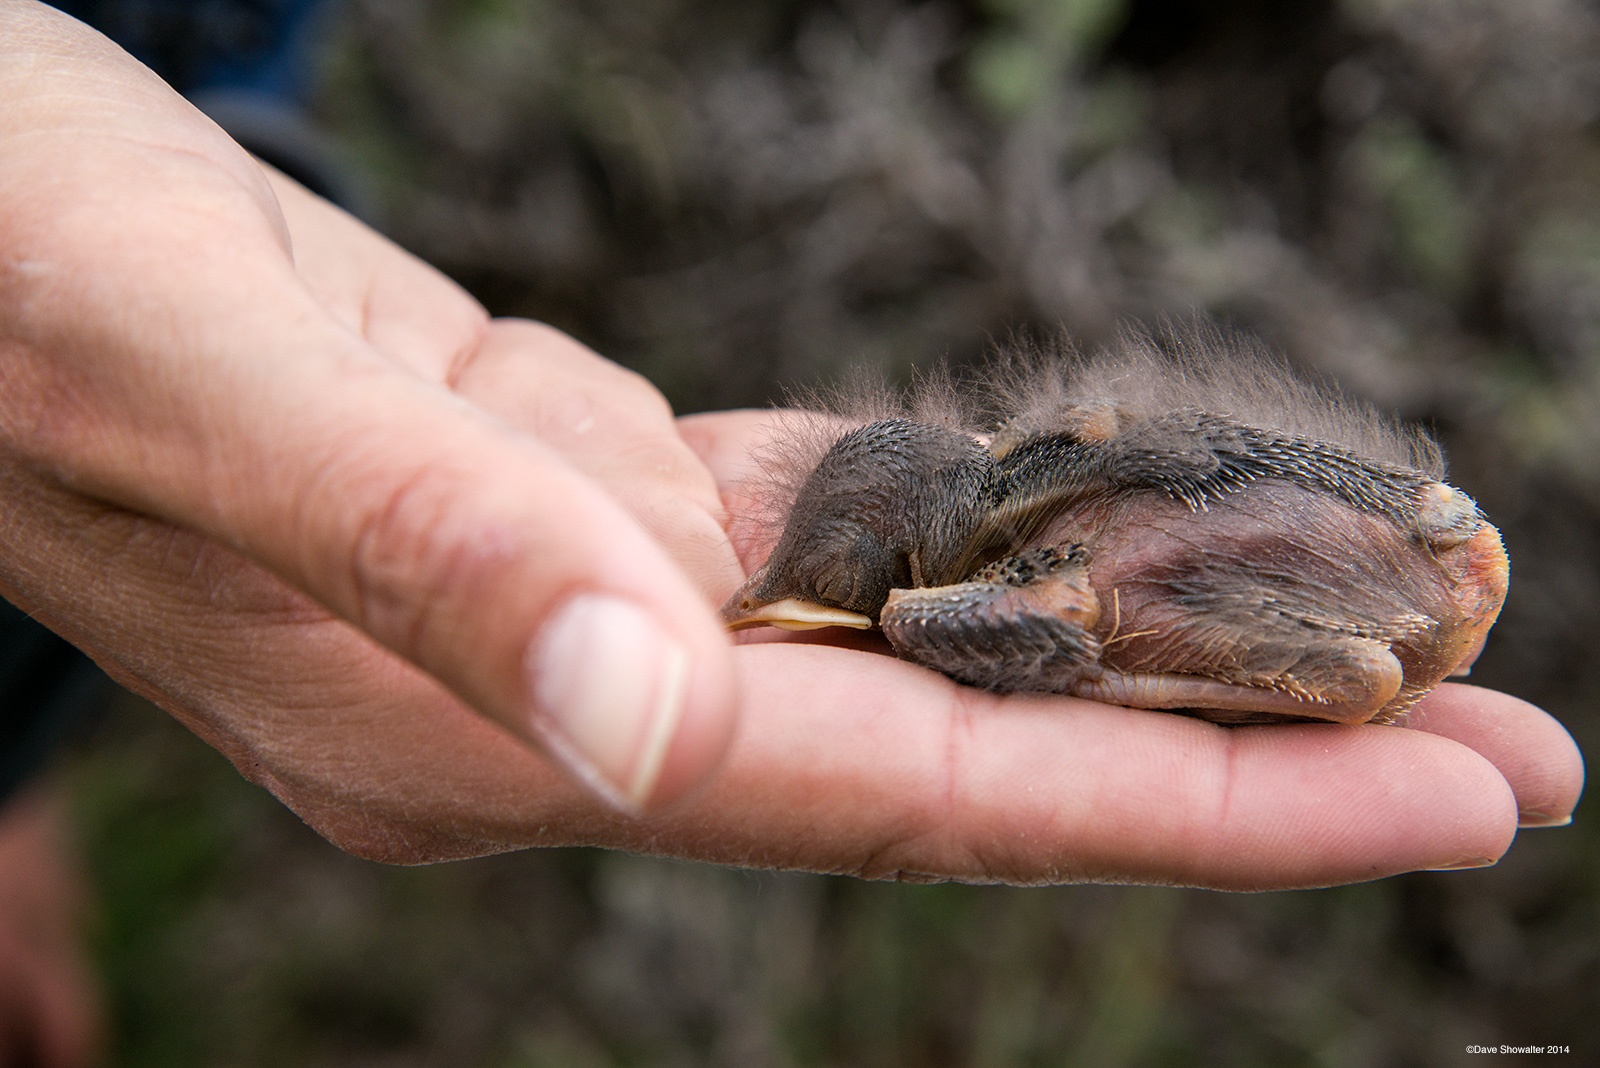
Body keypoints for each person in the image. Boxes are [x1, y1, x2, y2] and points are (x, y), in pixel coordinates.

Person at [0, 0, 1586, 967]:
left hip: (1211, 560)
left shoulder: (1048, 522)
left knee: (1205, 595)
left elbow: (1112, 498)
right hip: (1162, 561)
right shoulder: (1030, 546)